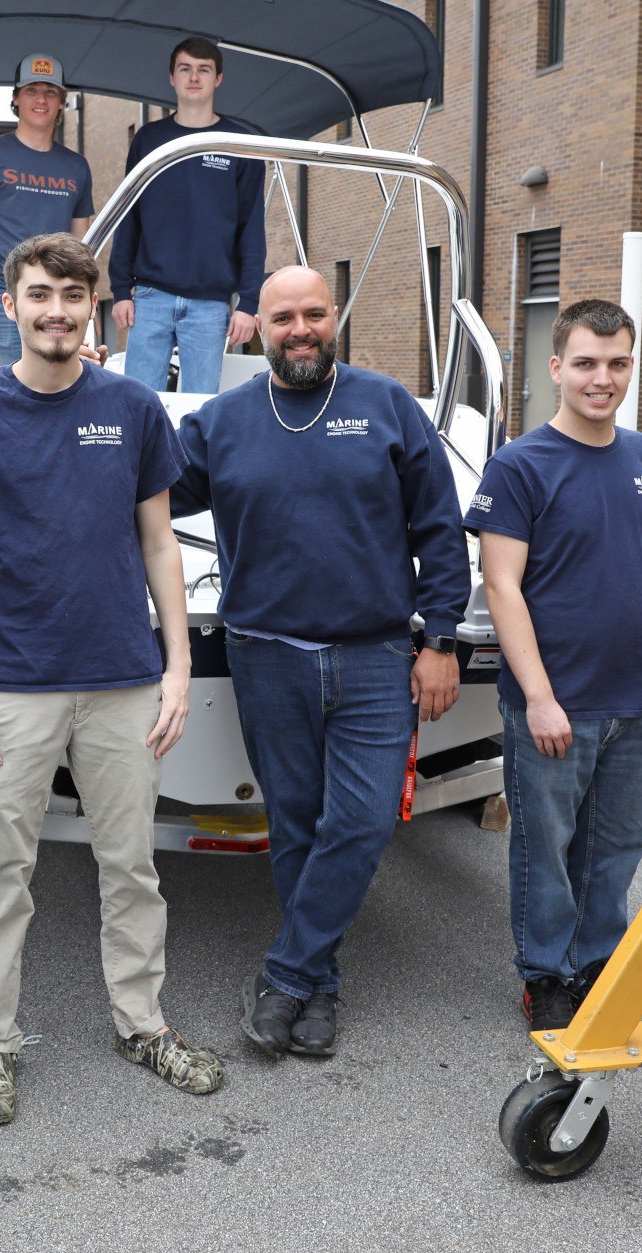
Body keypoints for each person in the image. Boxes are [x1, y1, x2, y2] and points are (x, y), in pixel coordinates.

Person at [0, 232, 223, 1125]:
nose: (57, 309)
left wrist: (177, 668)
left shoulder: (132, 408)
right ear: (10, 303)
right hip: (14, 686)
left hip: (123, 682)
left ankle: (141, 1023)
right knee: (1, 871)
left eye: (73, 293)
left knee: (131, 866)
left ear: (95, 304)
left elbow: (159, 541)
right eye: (41, 293)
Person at [171, 265, 469, 1058]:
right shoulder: (223, 420)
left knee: (364, 821)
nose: (299, 329)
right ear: (256, 327)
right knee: (296, 824)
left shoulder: (386, 406)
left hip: (375, 655)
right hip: (266, 658)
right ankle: (319, 987)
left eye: (313, 314)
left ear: (334, 316)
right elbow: (144, 492)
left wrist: (440, 640)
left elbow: (439, 529)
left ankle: (284, 973)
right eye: (282, 317)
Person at [461, 298, 642, 1034]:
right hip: (554, 702)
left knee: (617, 843)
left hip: (631, 698)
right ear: (556, 368)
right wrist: (537, 696)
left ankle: (598, 960)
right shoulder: (521, 464)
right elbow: (501, 584)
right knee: (546, 847)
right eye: (588, 363)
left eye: (618, 363)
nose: (604, 378)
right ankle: (546, 974)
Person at [109, 36, 266, 394]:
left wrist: (249, 302)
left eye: (203, 70)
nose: (194, 77)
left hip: (210, 304)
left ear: (218, 79)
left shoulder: (239, 142)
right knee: (138, 404)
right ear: (172, 77)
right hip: (150, 296)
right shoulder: (149, 140)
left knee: (201, 409)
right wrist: (120, 290)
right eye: (185, 69)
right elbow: (128, 215)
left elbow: (251, 227)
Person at [0, 55, 97, 377]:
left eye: (50, 91)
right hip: (0, 301)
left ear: (62, 101)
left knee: (59, 394)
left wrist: (84, 303)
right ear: (16, 98)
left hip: (58, 304)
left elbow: (82, 247)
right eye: (32, 90)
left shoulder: (76, 166)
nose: (41, 99)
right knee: (3, 402)